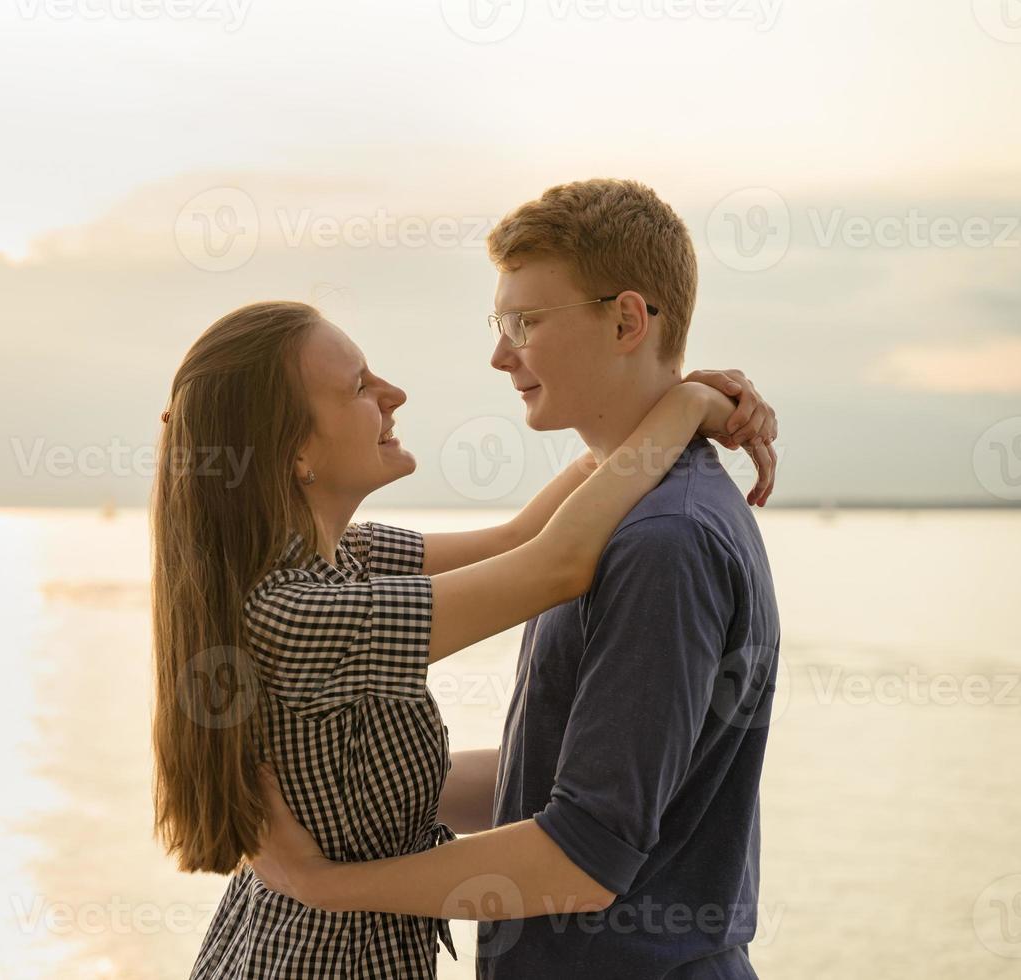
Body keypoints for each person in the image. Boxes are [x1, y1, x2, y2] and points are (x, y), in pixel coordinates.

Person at [153, 288, 777, 974]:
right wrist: (685, 407)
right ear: (294, 452)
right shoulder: (295, 616)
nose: (394, 394)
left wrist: (654, 412)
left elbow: (522, 535)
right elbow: (554, 564)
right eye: (360, 386)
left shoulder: (346, 558)